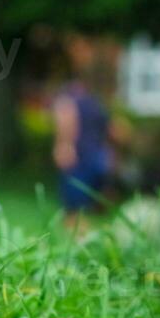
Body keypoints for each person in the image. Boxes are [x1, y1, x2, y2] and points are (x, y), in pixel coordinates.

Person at [53, 71, 114, 231]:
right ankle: (80, 232)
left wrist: (64, 145)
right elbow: (66, 120)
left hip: (87, 154)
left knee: (82, 201)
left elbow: (67, 120)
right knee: (82, 200)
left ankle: (81, 233)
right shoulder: (89, 101)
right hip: (89, 154)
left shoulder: (81, 100)